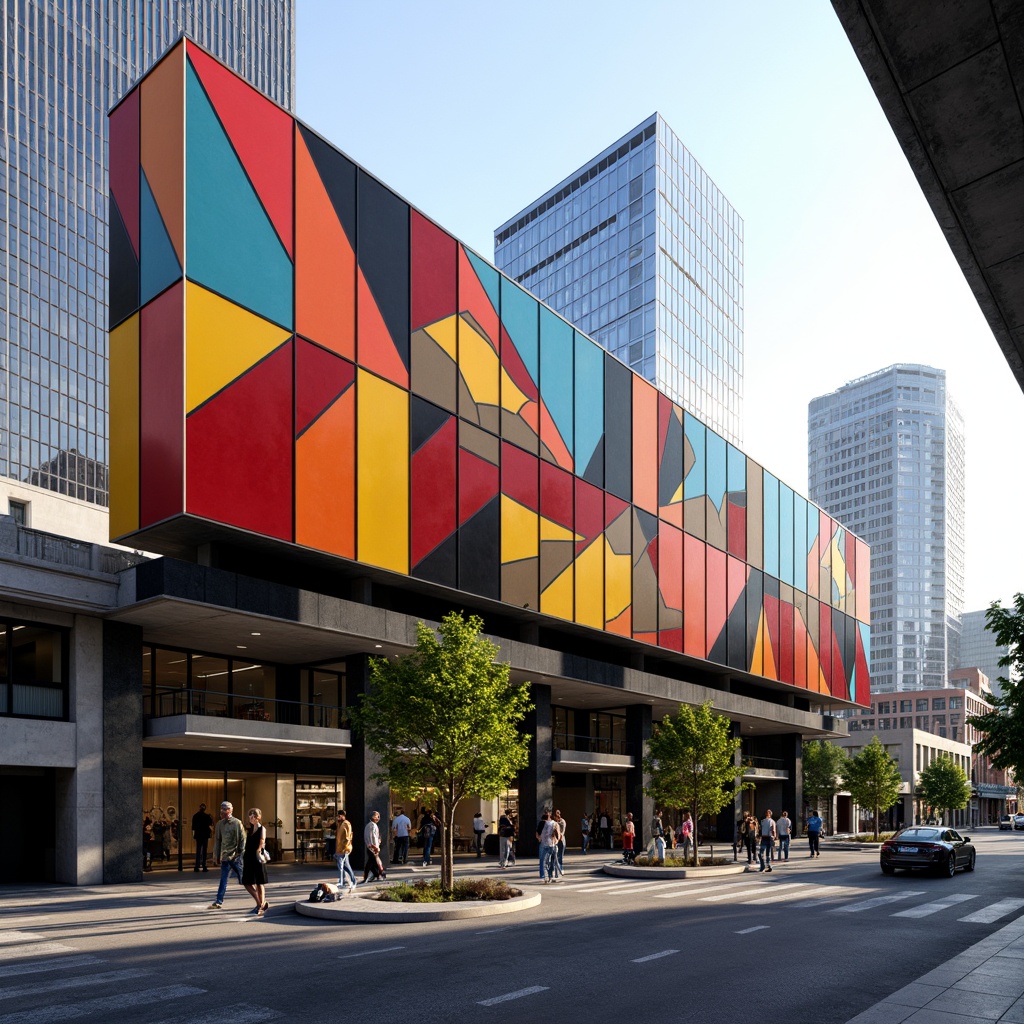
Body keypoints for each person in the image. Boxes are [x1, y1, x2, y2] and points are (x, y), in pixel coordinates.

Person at [208, 801, 245, 909]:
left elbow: (242, 839)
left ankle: (258, 896)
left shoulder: (237, 823)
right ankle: (219, 900)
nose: (222, 811)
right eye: (221, 809)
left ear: (230, 810)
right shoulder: (220, 824)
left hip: (235, 857)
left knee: (244, 878)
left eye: (224, 809)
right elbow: (218, 840)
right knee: (223, 879)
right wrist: (216, 856)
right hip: (225, 857)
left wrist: (240, 853)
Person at [242, 807, 269, 917]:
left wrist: (259, 849)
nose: (251, 818)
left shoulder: (262, 828)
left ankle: (260, 906)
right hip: (248, 858)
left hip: (257, 858)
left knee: (259, 882)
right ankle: (260, 903)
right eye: (250, 816)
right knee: (246, 882)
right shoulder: (249, 829)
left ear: (258, 818)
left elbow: (262, 841)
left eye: (254, 816)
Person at [334, 809, 357, 893]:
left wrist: (345, 848)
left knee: (342, 867)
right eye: (338, 816)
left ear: (343, 816)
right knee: (345, 866)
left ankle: (344, 882)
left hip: (344, 849)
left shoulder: (346, 824)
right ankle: (350, 881)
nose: (338, 817)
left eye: (339, 816)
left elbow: (348, 837)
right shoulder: (340, 824)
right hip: (340, 849)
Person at [537, 812, 561, 883]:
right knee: (552, 861)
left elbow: (537, 834)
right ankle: (550, 876)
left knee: (543, 861)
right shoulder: (555, 824)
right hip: (552, 844)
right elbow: (558, 835)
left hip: (543, 844)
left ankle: (544, 877)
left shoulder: (541, 823)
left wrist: (540, 839)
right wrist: (556, 841)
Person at [363, 810, 385, 882]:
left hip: (370, 847)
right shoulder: (372, 825)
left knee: (372, 862)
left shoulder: (369, 825)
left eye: (379, 817)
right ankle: (378, 874)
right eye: (377, 816)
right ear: (372, 816)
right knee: (372, 862)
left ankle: (375, 875)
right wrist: (376, 847)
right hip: (372, 847)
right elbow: (373, 837)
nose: (378, 818)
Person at [191, 803, 213, 872]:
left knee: (198, 850)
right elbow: (210, 824)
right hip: (205, 835)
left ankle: (197, 866)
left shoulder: (195, 816)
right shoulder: (207, 816)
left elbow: (193, 827)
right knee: (204, 851)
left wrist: (194, 835)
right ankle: (204, 865)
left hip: (198, 835)